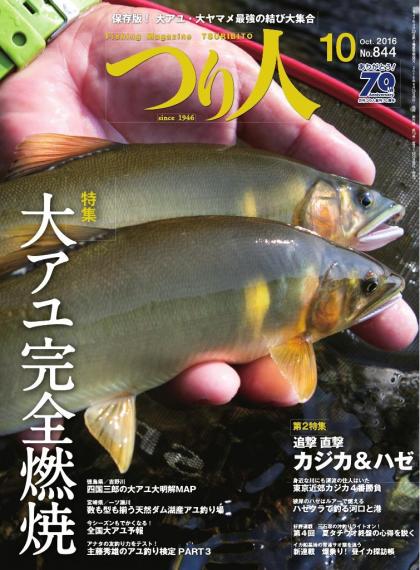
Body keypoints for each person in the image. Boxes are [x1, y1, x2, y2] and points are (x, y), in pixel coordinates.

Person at [0, 3, 417, 419]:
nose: (381, 209)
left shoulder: (288, 238)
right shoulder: (290, 229)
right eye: (362, 201)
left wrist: (49, 30)